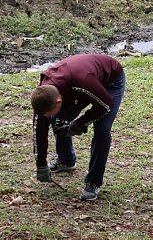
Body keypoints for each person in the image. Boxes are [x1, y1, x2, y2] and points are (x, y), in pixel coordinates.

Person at [30, 54, 125, 201]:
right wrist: (41, 164)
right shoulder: (44, 92)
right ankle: (66, 160)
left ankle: (93, 183)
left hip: (110, 81)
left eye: (49, 113)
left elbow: (106, 105)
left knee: (102, 129)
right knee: (57, 120)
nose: (47, 117)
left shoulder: (81, 82)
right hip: (80, 87)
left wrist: (79, 124)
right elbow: (39, 128)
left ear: (59, 101)